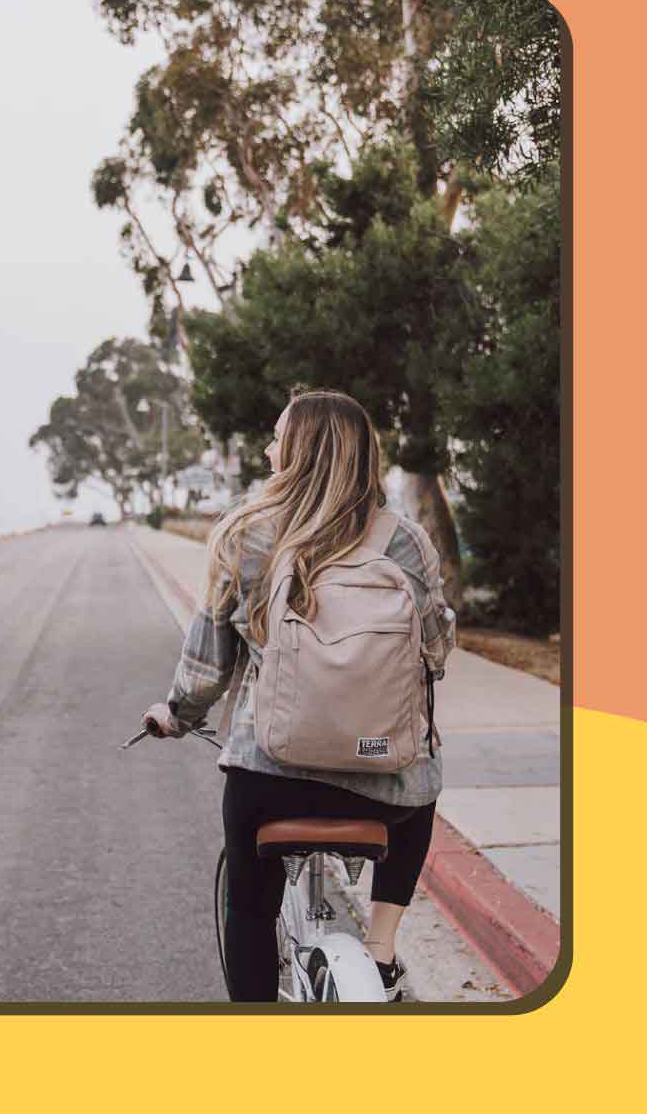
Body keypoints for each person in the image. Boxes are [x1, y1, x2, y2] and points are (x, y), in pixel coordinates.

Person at [143, 389, 454, 1002]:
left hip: (271, 775)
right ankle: (383, 948)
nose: (267, 447)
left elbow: (208, 663)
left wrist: (175, 715)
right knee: (423, 777)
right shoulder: (406, 543)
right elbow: (436, 652)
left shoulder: (245, 536)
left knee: (250, 910)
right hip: (384, 782)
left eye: (277, 436)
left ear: (299, 452)